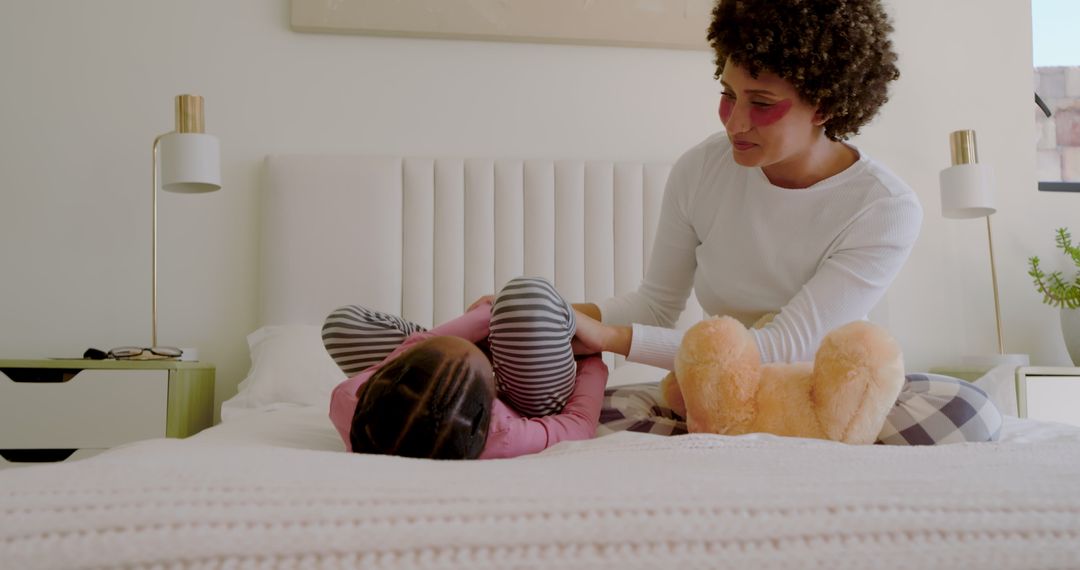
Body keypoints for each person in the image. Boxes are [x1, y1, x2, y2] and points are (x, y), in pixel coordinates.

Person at [568, 0, 1002, 445]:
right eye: (728, 95)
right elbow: (654, 308)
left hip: (824, 393)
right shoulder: (699, 171)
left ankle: (732, 438)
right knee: (593, 413)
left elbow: (788, 345)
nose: (735, 122)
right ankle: (735, 433)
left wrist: (610, 337)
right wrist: (552, 315)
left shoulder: (885, 206)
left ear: (824, 106)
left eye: (761, 103)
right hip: (722, 389)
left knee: (973, 412)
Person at [323, 276, 608, 460]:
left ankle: (498, 333)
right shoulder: (502, 434)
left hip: (451, 377)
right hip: (529, 402)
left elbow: (422, 343)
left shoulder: (349, 399)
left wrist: (486, 314)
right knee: (526, 297)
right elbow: (579, 424)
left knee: (342, 325)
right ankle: (509, 333)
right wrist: (591, 355)